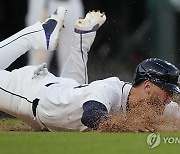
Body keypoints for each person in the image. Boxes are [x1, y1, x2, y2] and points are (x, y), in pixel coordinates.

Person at [0, 7, 179, 132]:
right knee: (79, 100)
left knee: (75, 91)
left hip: (62, 92)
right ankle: (36, 35)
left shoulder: (161, 105)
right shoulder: (110, 89)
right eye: (166, 90)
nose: (169, 97)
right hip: (31, 93)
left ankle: (81, 40)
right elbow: (91, 116)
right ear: (147, 86)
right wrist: (126, 125)